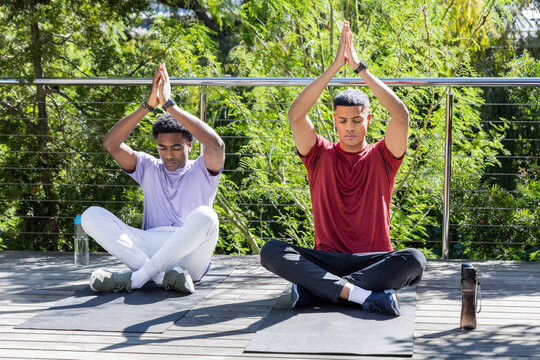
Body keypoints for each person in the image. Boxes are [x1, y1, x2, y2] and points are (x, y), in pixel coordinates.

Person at [260, 22, 426, 316]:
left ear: (368, 120)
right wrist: (336, 67)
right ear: (335, 121)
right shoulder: (319, 154)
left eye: (357, 120)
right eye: (343, 121)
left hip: (373, 260)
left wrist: (360, 68)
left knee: (415, 259)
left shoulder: (383, 157)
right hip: (327, 258)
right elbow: (296, 115)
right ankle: (361, 295)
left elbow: (401, 115)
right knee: (271, 251)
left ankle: (318, 290)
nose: (350, 127)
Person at [81, 63, 225, 294]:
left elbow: (217, 146)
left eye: (176, 148)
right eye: (163, 148)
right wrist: (148, 106)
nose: (168, 154)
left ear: (190, 145)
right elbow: (111, 144)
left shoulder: (203, 169)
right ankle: (159, 277)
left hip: (191, 256)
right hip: (150, 248)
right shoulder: (149, 167)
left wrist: (170, 106)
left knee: (207, 216)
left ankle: (136, 279)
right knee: (90, 216)